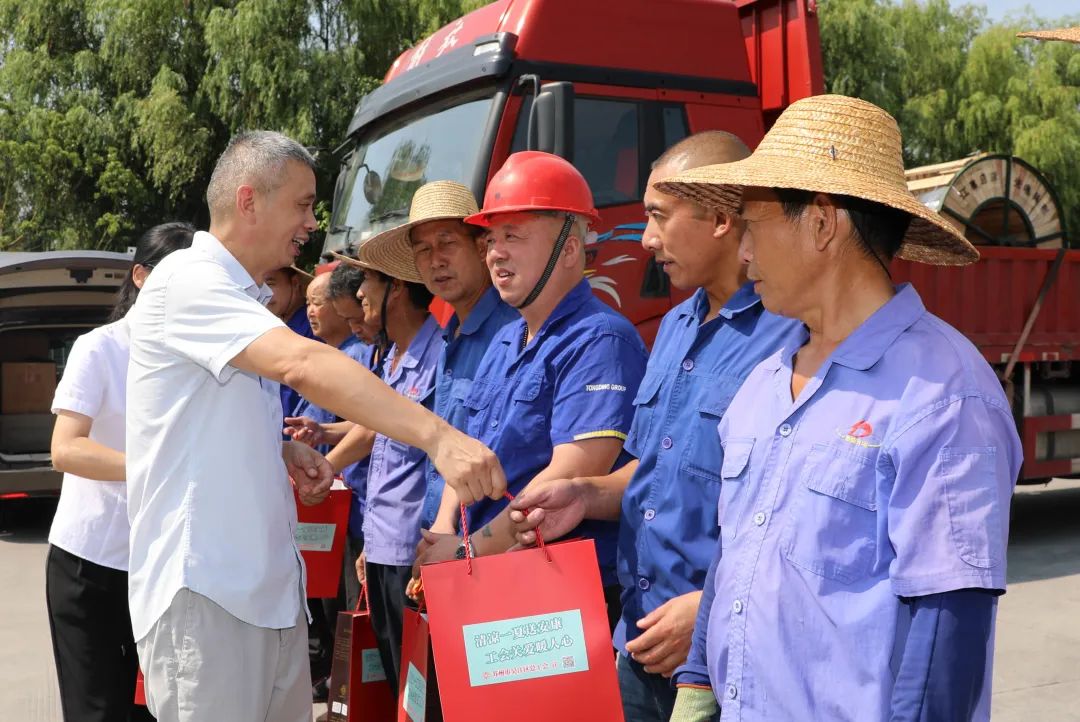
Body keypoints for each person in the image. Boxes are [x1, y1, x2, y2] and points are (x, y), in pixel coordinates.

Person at [653, 95, 1022, 721]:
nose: (742, 254)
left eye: (753, 225)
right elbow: (737, 556)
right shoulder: (763, 387)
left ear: (822, 223)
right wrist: (696, 687)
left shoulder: (942, 396)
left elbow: (944, 637)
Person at [125, 130, 505, 722]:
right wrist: (439, 436)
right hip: (208, 596)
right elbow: (303, 363)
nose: (310, 223)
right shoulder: (188, 281)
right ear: (249, 200)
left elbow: (195, 424)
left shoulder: (238, 297)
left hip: (264, 595)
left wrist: (275, 450)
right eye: (302, 204)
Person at [508, 132, 797, 722]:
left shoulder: (789, 338)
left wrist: (712, 606)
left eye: (658, 217)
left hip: (721, 650)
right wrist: (585, 495)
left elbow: (791, 515)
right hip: (637, 640)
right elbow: (651, 470)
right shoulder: (673, 328)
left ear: (720, 217)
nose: (645, 240)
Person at [414, 152, 648, 623]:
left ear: (568, 249)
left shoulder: (601, 338)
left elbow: (566, 477)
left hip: (553, 599)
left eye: (513, 236)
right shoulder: (506, 337)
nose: (495, 252)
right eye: (492, 237)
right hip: (484, 579)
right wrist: (441, 537)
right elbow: (467, 450)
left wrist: (466, 552)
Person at [46, 221, 194, 722]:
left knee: (160, 708)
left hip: (160, 564)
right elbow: (65, 450)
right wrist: (150, 469)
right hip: (91, 563)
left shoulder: (189, 358)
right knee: (98, 708)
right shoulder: (100, 348)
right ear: (140, 276)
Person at [356, 180, 517, 534]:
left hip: (485, 544)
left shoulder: (513, 333)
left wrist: (447, 533)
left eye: (446, 243)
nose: (436, 260)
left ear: (480, 247)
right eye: (423, 250)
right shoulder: (450, 337)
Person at [336, 249, 444, 696]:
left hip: (412, 555)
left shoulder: (440, 353)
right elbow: (374, 429)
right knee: (398, 680)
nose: (359, 292)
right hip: (383, 547)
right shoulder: (391, 358)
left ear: (396, 287)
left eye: (369, 282)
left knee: (420, 686)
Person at [266, 265, 316, 420]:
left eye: (270, 284)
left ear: (295, 283)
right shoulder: (279, 327)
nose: (264, 293)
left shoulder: (311, 329)